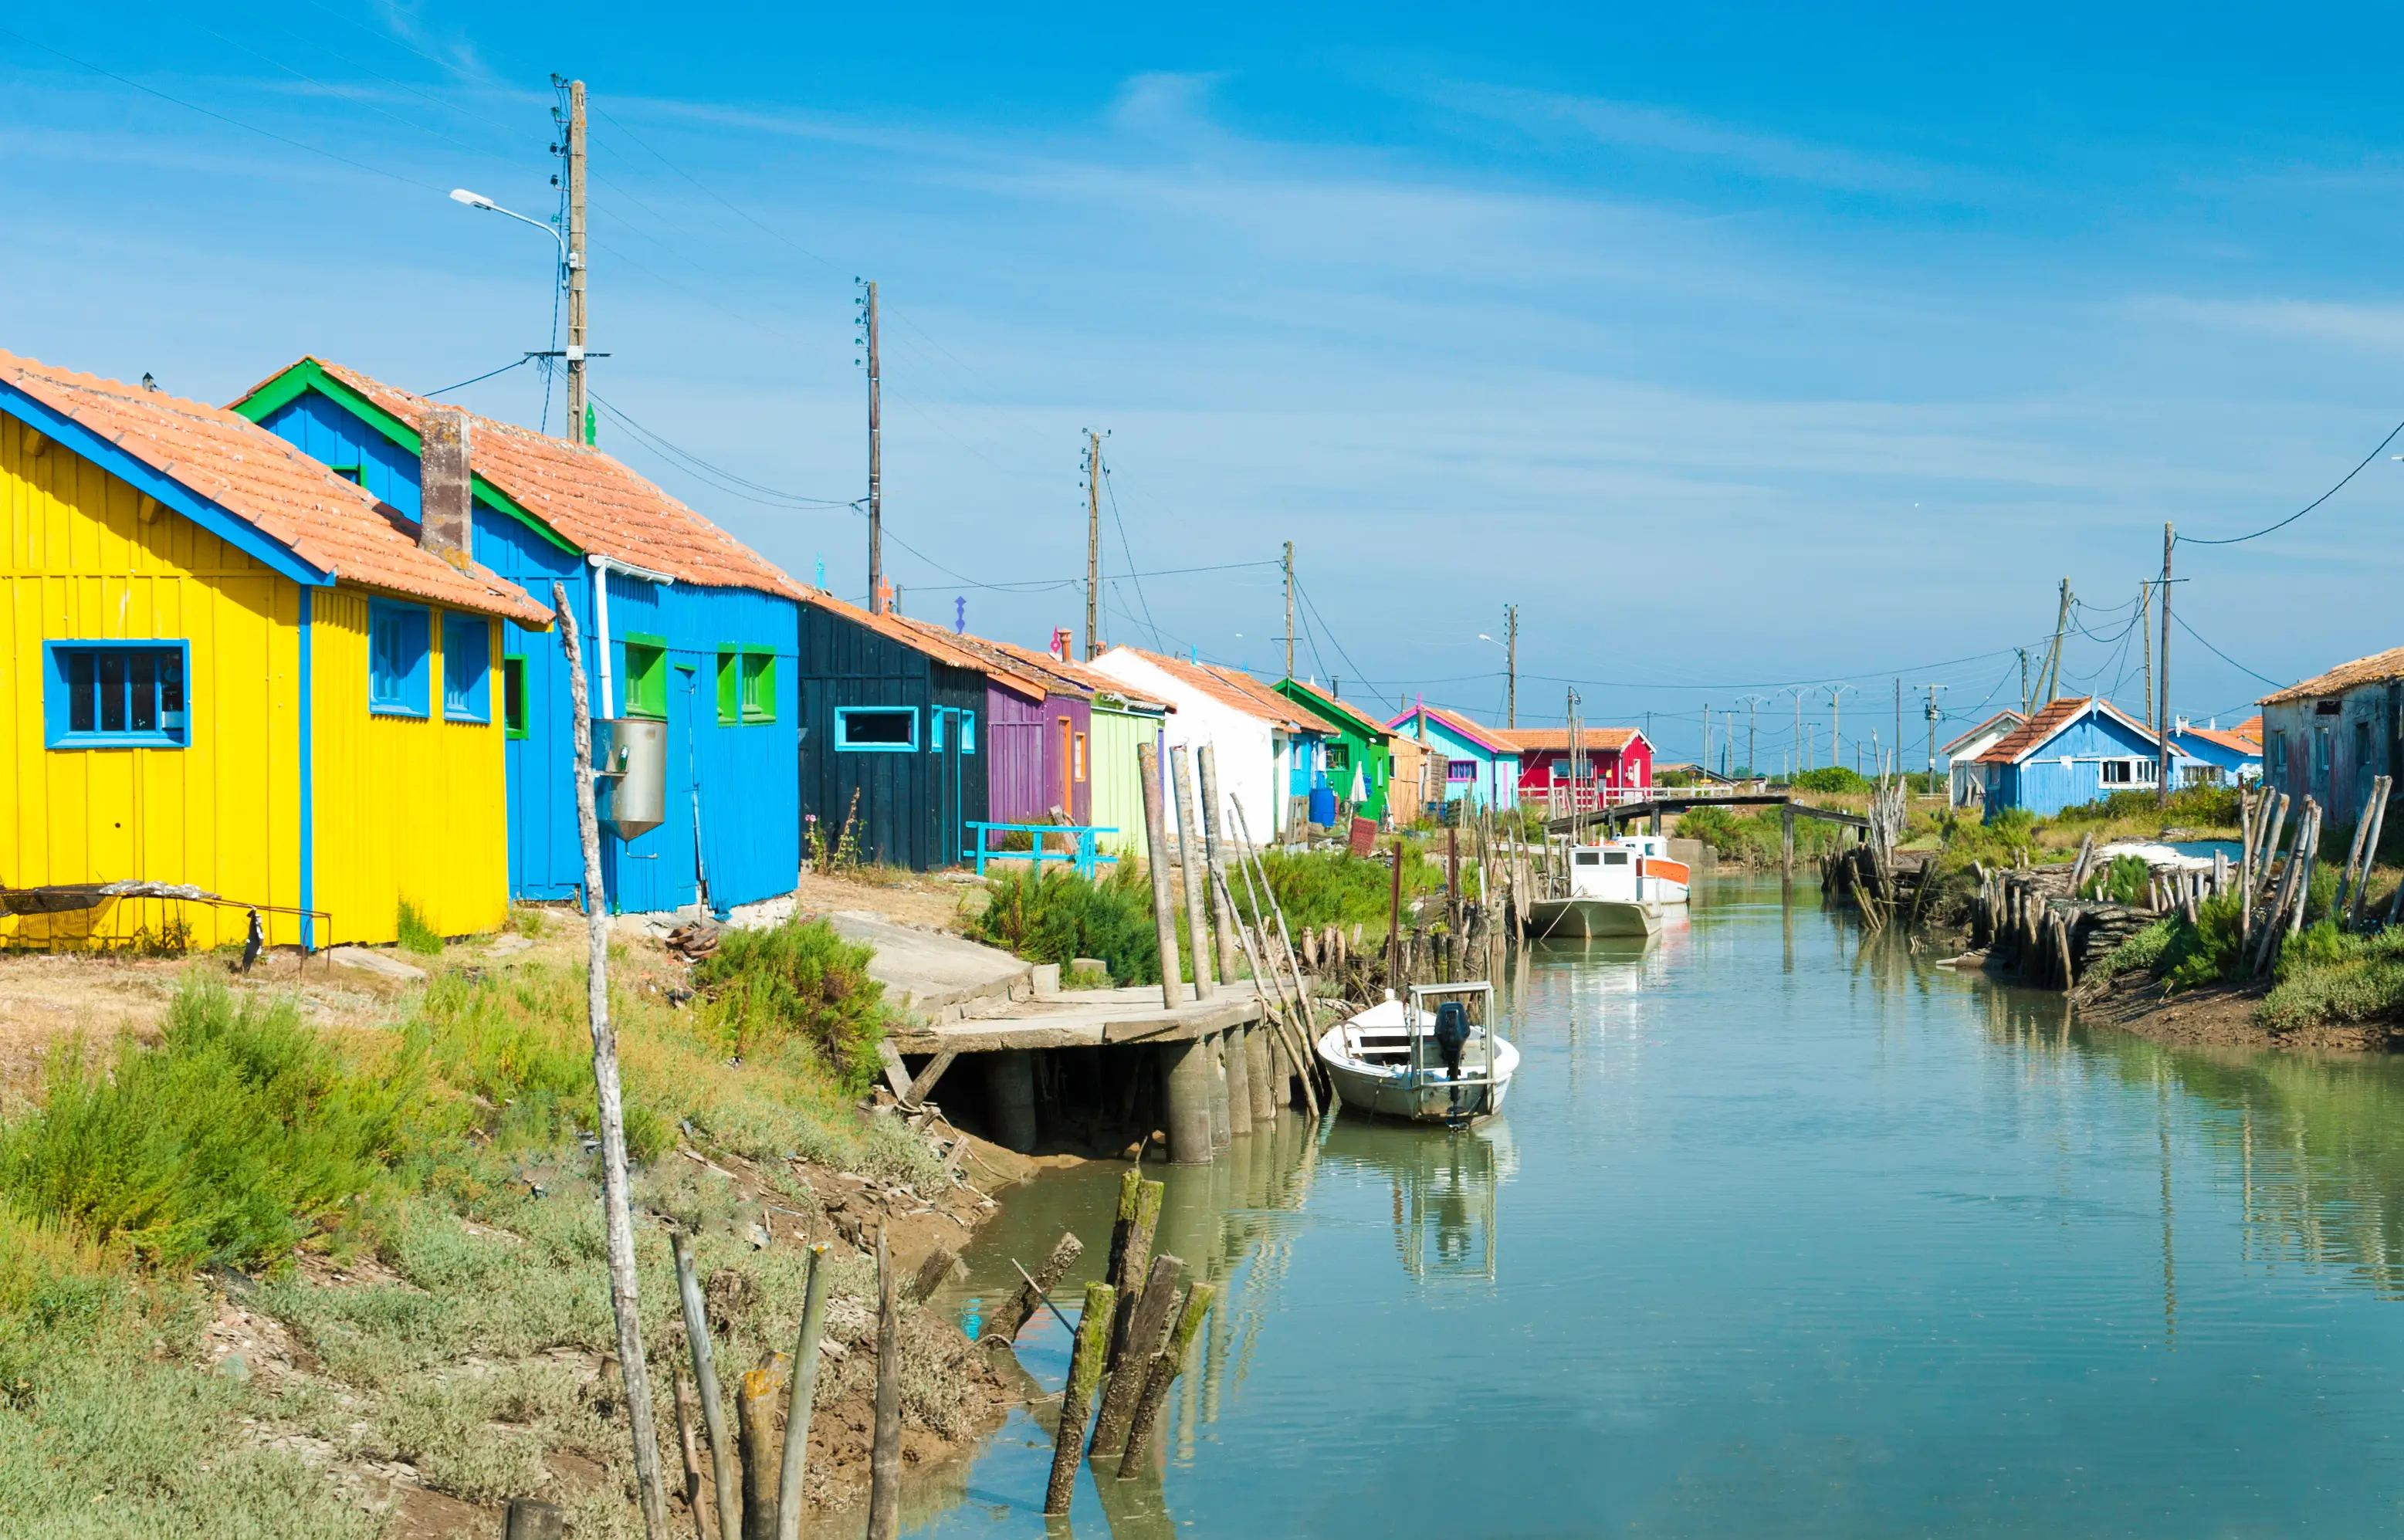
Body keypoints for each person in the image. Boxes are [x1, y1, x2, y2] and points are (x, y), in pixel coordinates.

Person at [1434, 1000, 1469, 1111]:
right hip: (1457, 1049)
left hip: (1447, 1050)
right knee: (1454, 1068)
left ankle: (1454, 1098)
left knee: (1453, 1066)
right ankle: (1455, 1098)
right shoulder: (1462, 1032)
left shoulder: (1442, 1031)